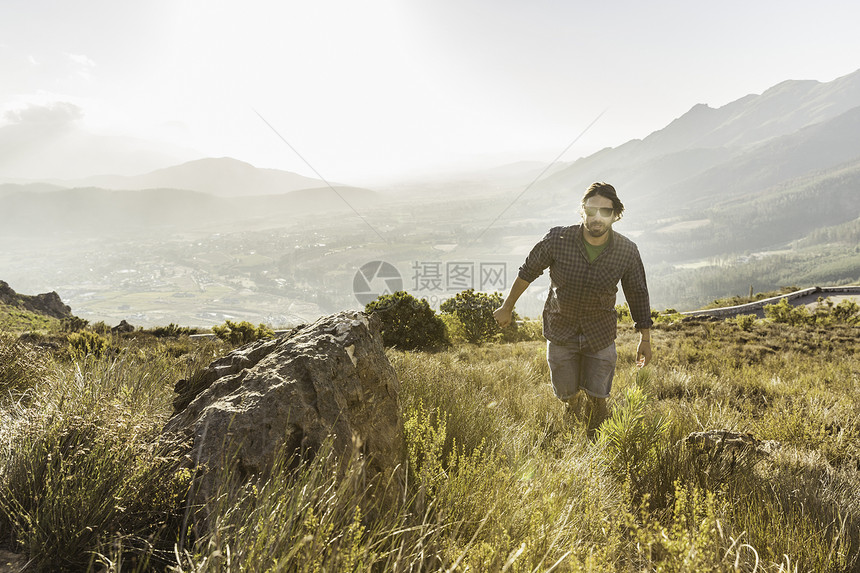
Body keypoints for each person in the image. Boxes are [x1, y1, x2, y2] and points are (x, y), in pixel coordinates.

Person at [493, 182, 652, 432]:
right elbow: (528, 270)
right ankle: (572, 424)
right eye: (591, 211)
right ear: (583, 210)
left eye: (605, 212)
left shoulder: (627, 251)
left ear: (615, 214)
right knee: (567, 395)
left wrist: (645, 338)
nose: (597, 217)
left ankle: (596, 433)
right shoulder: (559, 239)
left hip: (599, 334)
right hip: (561, 331)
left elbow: (638, 292)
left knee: (599, 396)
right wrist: (507, 306)